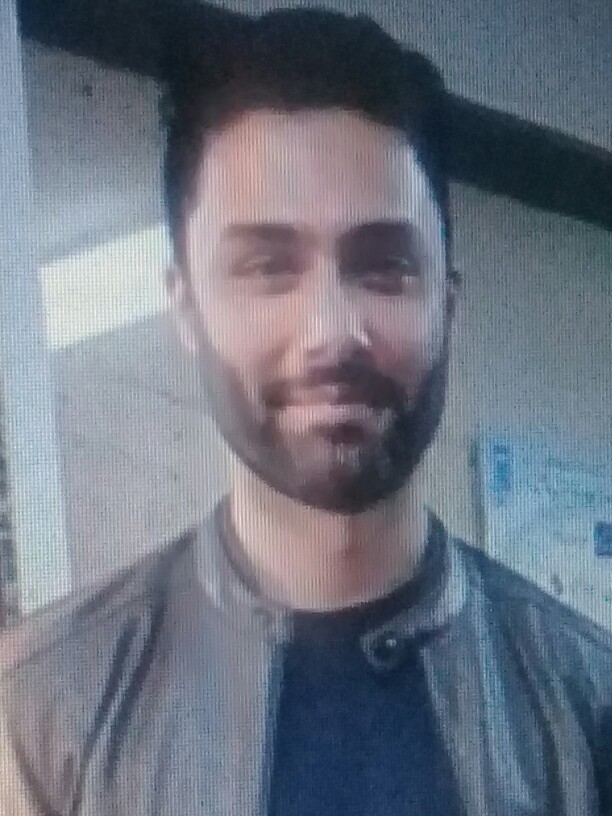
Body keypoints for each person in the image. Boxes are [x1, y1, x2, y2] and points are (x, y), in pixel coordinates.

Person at [1, 8, 612, 815]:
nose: (330, 331)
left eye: (384, 266)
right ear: (186, 307)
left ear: (447, 304)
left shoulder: (586, 703)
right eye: (267, 267)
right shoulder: (44, 710)